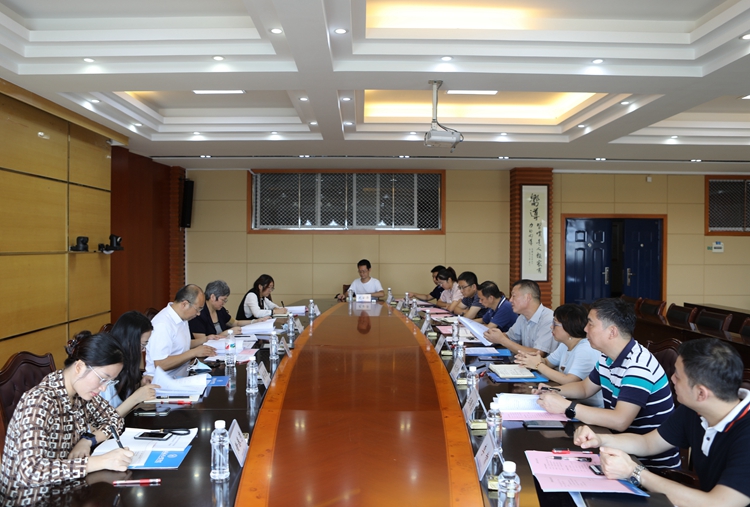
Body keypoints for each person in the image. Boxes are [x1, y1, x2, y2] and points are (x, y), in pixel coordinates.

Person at [574, 338, 750, 507]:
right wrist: (600, 439)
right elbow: (648, 443)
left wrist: (634, 471)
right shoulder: (695, 410)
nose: (671, 379)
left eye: (678, 377)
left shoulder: (745, 434)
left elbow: (717, 504)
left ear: (701, 393)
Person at [536, 298, 679, 469]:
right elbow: (585, 388)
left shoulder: (638, 366)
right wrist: (553, 390)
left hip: (646, 464)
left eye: (590, 324)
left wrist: (567, 407)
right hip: (618, 449)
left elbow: (620, 420)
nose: (585, 329)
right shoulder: (608, 356)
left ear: (612, 332)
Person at [0, 333, 134, 503]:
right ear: (79, 367)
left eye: (109, 382)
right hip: (31, 498)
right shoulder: (40, 401)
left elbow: (115, 419)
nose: (103, 388)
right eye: (102, 379)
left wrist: (88, 440)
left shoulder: (80, 392)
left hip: (66, 490)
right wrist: (100, 461)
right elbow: (30, 471)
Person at [514, 304, 602, 407]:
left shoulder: (585, 349)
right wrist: (532, 359)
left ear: (569, 326)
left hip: (590, 406)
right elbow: (548, 362)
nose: (551, 327)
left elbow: (570, 380)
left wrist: (538, 365)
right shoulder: (565, 344)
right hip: (572, 400)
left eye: (555, 323)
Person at [145, 284, 216, 379]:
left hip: (181, 377)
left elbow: (180, 344)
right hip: (163, 382)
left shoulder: (182, 317)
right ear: (184, 304)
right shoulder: (162, 324)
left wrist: (206, 339)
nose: (198, 314)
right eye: (198, 309)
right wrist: (193, 352)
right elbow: (160, 364)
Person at [103, 311, 161, 416]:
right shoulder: (107, 367)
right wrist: (136, 398)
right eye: (143, 345)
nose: (143, 350)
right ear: (129, 341)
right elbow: (107, 419)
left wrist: (139, 385)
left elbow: (122, 395)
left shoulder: (124, 360)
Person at [483, 279, 555, 355]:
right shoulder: (522, 317)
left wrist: (502, 340)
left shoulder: (548, 319)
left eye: (514, 296)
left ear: (527, 297)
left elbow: (538, 353)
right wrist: (492, 335)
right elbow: (510, 336)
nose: (510, 300)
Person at [191, 280, 268, 343]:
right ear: (213, 297)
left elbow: (235, 323)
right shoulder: (198, 314)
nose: (224, 303)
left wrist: (255, 321)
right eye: (223, 300)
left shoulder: (220, 310)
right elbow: (202, 342)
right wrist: (227, 333)